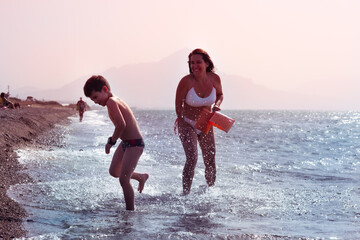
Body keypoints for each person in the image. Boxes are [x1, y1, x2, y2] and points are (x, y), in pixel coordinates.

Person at [83, 75, 149, 210]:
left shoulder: (111, 102)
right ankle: (141, 177)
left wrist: (111, 142)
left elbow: (121, 125)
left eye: (95, 97)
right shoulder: (114, 100)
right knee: (114, 171)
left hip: (135, 144)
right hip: (126, 143)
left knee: (124, 180)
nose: (95, 102)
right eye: (92, 99)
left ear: (105, 89)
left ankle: (130, 213)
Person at [175, 49, 224, 195]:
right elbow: (178, 104)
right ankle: (185, 195)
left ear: (207, 63)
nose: (194, 65)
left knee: (210, 159)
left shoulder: (215, 79)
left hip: (206, 123)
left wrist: (217, 105)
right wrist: (182, 120)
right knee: (192, 159)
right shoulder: (186, 81)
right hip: (188, 123)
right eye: (192, 63)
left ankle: (210, 192)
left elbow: (220, 94)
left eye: (198, 62)